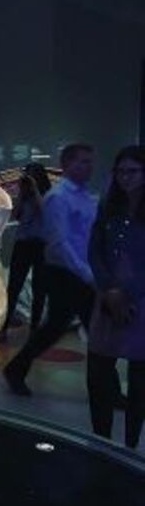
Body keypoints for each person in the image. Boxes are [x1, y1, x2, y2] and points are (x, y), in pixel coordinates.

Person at [3, 144, 97, 395]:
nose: (88, 166)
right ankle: (106, 390)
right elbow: (59, 242)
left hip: (75, 271)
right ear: (66, 165)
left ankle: (16, 369)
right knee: (73, 328)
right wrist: (87, 274)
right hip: (66, 272)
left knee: (57, 327)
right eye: (82, 161)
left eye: (90, 161)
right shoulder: (58, 198)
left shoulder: (86, 197)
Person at [87, 146, 145, 449]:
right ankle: (102, 442)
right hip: (108, 298)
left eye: (132, 171)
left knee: (139, 379)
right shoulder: (109, 204)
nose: (125, 177)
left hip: (140, 301)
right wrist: (109, 289)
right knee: (98, 370)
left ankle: (131, 446)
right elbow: (95, 249)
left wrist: (129, 295)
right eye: (120, 171)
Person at [0, 162, 51, 338]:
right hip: (23, 244)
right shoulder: (24, 196)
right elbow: (16, 215)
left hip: (42, 245)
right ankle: (4, 327)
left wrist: (35, 190)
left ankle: (35, 329)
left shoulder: (49, 196)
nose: (29, 180)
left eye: (32, 176)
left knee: (39, 288)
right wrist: (22, 194)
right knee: (14, 287)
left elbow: (46, 212)